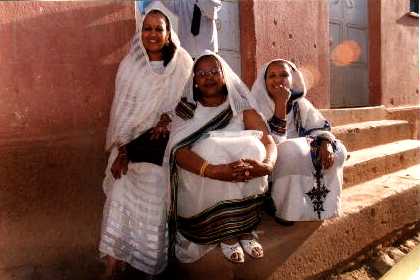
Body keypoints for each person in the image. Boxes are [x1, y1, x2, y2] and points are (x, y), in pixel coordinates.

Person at [99, 2, 193, 279]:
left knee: (153, 194)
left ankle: (147, 266)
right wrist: (122, 152)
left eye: (158, 29)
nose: (152, 34)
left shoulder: (183, 64)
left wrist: (168, 119)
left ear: (168, 33)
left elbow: (190, 105)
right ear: (140, 32)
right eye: (147, 29)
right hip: (128, 147)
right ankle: (113, 262)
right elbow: (121, 114)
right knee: (119, 191)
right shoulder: (129, 65)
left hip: (163, 151)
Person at [166, 51, 277, 264]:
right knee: (211, 148)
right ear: (194, 81)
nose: (208, 77)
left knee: (253, 146)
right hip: (202, 179)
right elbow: (177, 151)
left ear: (224, 75)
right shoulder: (186, 110)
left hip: (245, 181)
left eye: (214, 72)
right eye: (201, 73)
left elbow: (268, 141)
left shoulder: (240, 106)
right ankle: (226, 233)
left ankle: (245, 229)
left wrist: (267, 166)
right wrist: (215, 170)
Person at [250, 59, 347, 224]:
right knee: (289, 151)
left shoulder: (300, 104)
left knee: (339, 150)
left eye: (284, 75)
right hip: (273, 156)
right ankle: (284, 209)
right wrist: (280, 104)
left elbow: (319, 127)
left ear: (292, 79)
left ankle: (321, 209)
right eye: (272, 76)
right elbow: (272, 141)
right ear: (264, 82)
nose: (278, 79)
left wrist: (325, 143)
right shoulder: (255, 106)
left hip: (301, 149)